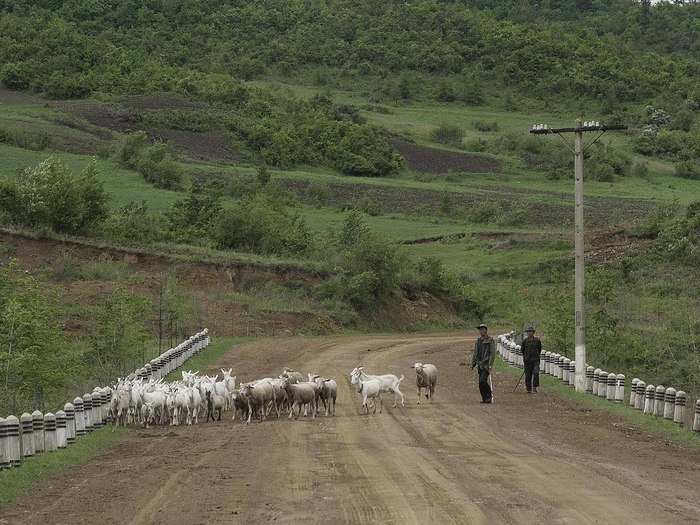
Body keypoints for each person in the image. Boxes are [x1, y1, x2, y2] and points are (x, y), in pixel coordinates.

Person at [471, 324, 495, 403]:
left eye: (482, 329)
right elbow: (475, 353)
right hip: (480, 364)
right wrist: (473, 363)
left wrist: (490, 364)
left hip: (486, 364)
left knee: (483, 381)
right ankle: (484, 398)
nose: (481, 331)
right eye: (480, 330)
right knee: (480, 384)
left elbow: (492, 353)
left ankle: (489, 396)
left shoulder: (490, 340)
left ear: (486, 330)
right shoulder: (478, 341)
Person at [521, 326, 542, 393]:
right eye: (528, 332)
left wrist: (536, 355)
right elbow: (522, 350)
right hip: (527, 361)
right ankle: (528, 388)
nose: (529, 333)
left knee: (536, 373)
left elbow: (539, 349)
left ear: (533, 332)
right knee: (528, 375)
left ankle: (534, 387)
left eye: (531, 332)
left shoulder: (537, 340)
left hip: (535, 360)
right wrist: (526, 357)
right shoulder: (525, 341)